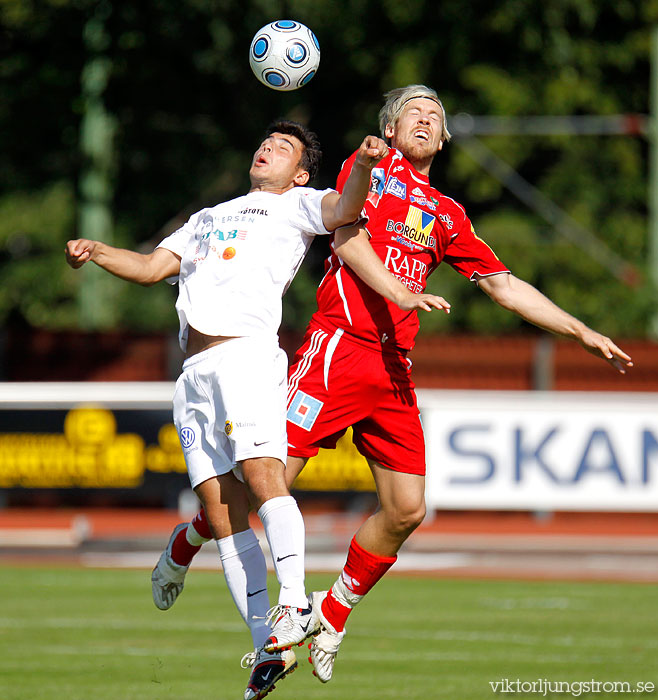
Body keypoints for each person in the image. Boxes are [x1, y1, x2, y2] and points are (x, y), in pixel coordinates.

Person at [152, 86, 634, 684]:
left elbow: (504, 285)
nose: (427, 119)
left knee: (407, 509)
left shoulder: (448, 214)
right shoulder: (371, 166)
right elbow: (348, 237)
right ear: (391, 124)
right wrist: (401, 292)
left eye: (436, 115)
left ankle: (331, 611)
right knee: (257, 494)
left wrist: (580, 331)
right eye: (415, 111)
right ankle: (191, 539)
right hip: (336, 351)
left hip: (393, 367)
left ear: (445, 136)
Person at [65, 118, 446, 700]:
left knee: (267, 480)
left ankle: (294, 605)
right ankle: (267, 648)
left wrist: (368, 164)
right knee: (221, 515)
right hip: (194, 374)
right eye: (265, 142)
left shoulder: (297, 204)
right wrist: (96, 252)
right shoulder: (208, 217)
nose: (267, 149)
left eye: (283, 147)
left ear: (300, 171)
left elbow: (345, 209)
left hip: (248, 359)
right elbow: (147, 269)